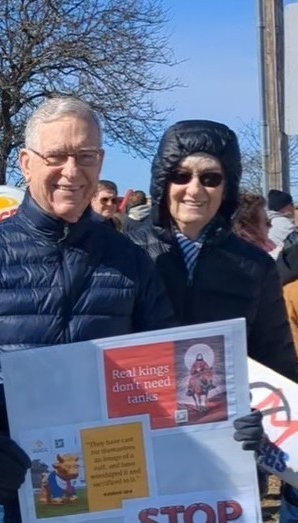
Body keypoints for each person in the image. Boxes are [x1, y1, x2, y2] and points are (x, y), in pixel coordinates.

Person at [0, 97, 179, 522]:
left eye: (85, 156)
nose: (72, 171)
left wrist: (222, 425)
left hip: (111, 488)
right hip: (8, 495)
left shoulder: (131, 260)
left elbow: (169, 367)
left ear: (100, 162)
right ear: (26, 164)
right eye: (57, 156)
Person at [124, 120, 298, 519]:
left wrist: (265, 422)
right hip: (141, 447)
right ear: (162, 181)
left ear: (227, 186)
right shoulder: (124, 256)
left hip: (227, 456)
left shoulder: (253, 266)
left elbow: (276, 363)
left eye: (211, 177)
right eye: (181, 175)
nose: (195, 189)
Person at [233, 192, 279, 258]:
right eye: (266, 222)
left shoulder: (268, 244)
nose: (270, 226)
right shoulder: (243, 258)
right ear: (249, 227)